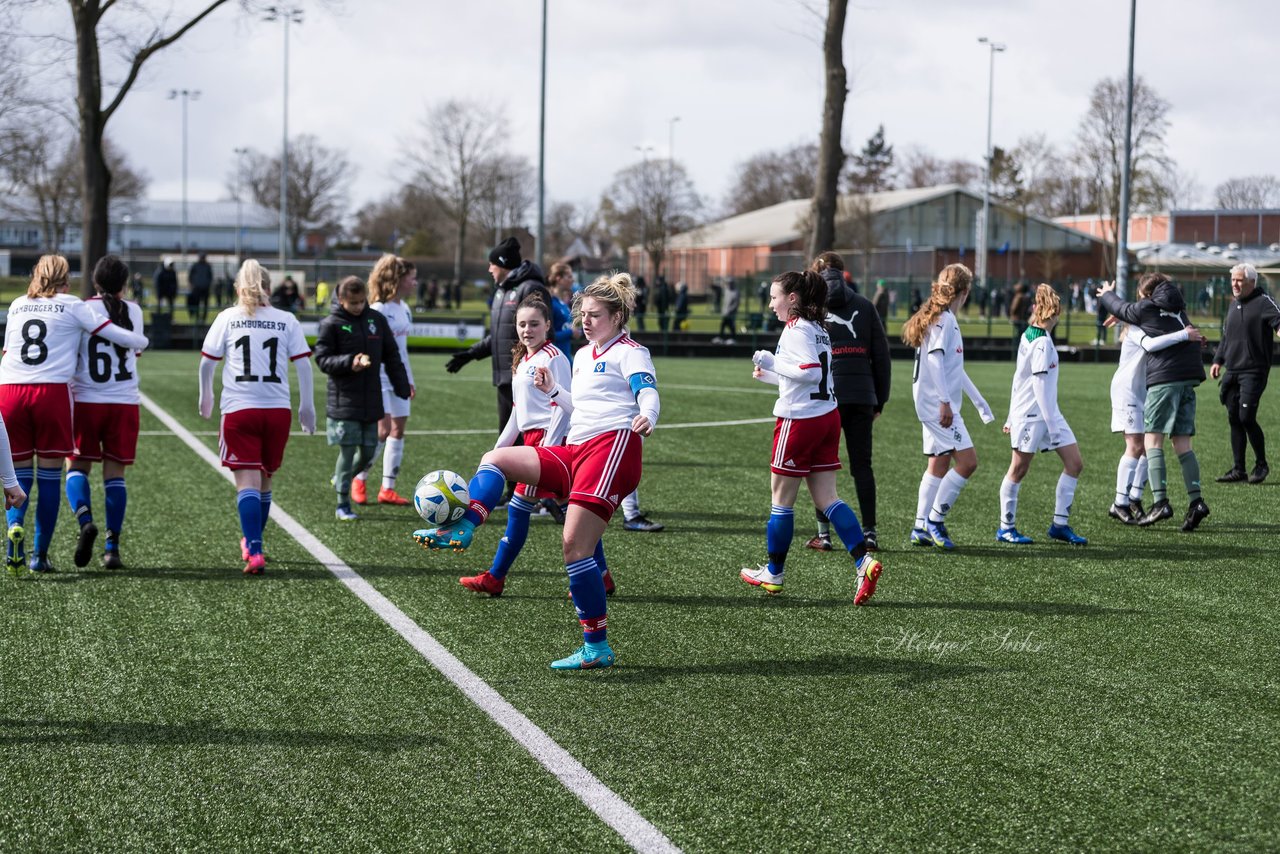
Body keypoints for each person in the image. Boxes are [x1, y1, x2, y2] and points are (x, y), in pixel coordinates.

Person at [415, 272, 659, 671]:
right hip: (575, 449)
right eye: (583, 314)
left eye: (594, 315)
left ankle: (596, 647)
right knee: (495, 458)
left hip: (613, 447)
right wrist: (552, 392)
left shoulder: (631, 351)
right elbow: (577, 408)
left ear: (617, 316)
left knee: (573, 546)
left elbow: (646, 390)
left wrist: (648, 412)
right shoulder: (583, 356)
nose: (585, 321)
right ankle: (466, 524)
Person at [740, 270, 883, 604]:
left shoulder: (795, 330)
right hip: (826, 417)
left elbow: (810, 372)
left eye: (775, 297)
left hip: (799, 422)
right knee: (827, 498)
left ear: (793, 300)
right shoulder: (819, 329)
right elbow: (809, 377)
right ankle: (864, 560)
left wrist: (770, 360)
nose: (771, 303)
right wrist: (772, 375)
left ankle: (774, 572)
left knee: (781, 500)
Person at [1, 255, 150, 573]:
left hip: (10, 389)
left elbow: (7, 350)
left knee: (17, 473)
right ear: (65, 279)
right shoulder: (72, 304)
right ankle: (39, 556)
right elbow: (117, 335)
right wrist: (142, 340)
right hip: (51, 393)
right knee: (51, 475)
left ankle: (14, 527)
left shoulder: (17, 304)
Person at [456, 295, 585, 595]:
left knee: (522, 509)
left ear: (548, 326)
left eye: (535, 324)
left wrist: (548, 450)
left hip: (552, 441)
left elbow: (563, 406)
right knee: (574, 511)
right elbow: (518, 412)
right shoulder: (521, 360)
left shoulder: (554, 357)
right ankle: (601, 576)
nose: (528, 330)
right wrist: (498, 448)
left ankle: (495, 577)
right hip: (532, 440)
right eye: (522, 324)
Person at [199, 260, 315, 573]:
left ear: (238, 287)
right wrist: (307, 406)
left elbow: (207, 362)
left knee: (246, 483)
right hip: (277, 410)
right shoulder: (286, 319)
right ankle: (254, 542)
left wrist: (206, 395)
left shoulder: (227, 317)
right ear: (269, 287)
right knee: (265, 480)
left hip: (240, 409)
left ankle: (254, 550)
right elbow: (304, 365)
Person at [1098, 273, 1209, 531]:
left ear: (1145, 296)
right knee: (1141, 445)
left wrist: (1109, 299)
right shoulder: (1176, 313)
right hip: (1130, 390)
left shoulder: (1150, 313)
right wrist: (1187, 336)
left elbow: (1129, 313)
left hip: (1157, 385)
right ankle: (1122, 501)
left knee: (1149, 444)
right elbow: (1150, 339)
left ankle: (1147, 500)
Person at [445, 236, 550, 503]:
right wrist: (470, 354)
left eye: (492, 264)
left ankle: (544, 495)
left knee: (535, 436)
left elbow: (542, 333)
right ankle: (516, 491)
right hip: (507, 376)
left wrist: (538, 367)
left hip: (527, 377)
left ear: (502, 263)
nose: (489, 269)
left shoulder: (530, 288)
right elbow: (500, 336)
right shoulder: (503, 290)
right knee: (510, 434)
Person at [902, 263, 995, 549]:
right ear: (964, 292)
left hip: (930, 402)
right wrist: (944, 402)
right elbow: (934, 359)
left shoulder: (937, 316)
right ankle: (935, 520)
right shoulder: (944, 319)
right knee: (968, 462)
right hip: (936, 406)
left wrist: (979, 402)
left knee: (938, 463)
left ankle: (919, 526)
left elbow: (954, 368)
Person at [804, 252, 891, 553]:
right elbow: (881, 357)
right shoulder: (865, 306)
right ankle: (869, 534)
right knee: (862, 466)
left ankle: (823, 535)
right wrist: (880, 399)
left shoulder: (811, 309)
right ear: (843, 273)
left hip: (825, 398)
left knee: (821, 466)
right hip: (861, 396)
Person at [66, 255, 147, 569]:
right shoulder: (135, 311)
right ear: (124, 284)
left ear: (95, 281)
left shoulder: (82, 308)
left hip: (87, 399)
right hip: (124, 402)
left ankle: (85, 520)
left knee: (76, 468)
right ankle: (112, 547)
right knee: (115, 476)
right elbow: (135, 350)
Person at [313, 276, 412, 522]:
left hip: (372, 397)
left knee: (369, 452)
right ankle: (342, 502)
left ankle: (342, 478)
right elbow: (322, 358)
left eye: (361, 302)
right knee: (347, 453)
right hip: (343, 400)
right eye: (352, 303)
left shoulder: (375, 320)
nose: (357, 307)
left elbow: (392, 354)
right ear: (341, 299)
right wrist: (349, 362)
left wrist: (401, 386)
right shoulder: (331, 323)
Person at [996, 284, 1088, 546]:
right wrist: (1016, 417)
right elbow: (1036, 386)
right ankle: (1006, 527)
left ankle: (1059, 525)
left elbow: (1019, 378)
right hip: (1034, 414)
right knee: (1018, 469)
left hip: (1047, 413)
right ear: (1054, 313)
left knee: (1074, 463)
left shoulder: (1031, 334)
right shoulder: (1039, 342)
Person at [352, 255, 418, 506]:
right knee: (382, 430)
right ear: (396, 279)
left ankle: (387, 488)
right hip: (378, 377)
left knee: (398, 430)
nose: (415, 283)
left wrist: (408, 380)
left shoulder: (405, 309)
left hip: (398, 377)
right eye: (411, 278)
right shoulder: (378, 310)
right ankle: (359, 477)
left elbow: (402, 350)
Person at [1211, 263, 1280, 485]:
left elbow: (1278, 322)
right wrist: (1218, 361)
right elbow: (1226, 337)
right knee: (1234, 418)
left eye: (1239, 280)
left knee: (1246, 417)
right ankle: (1238, 469)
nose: (1235, 284)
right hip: (1232, 371)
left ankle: (1261, 465)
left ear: (1252, 282)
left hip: (1254, 371)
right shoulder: (1233, 305)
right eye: (1233, 280)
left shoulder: (1263, 302)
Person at [547, 262, 577, 353]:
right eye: (569, 277)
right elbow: (548, 336)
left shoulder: (563, 303)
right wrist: (571, 332)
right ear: (558, 279)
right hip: (555, 356)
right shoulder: (550, 302)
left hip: (566, 355)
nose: (572, 280)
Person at [188, 252, 213, 326]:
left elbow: (210, 277)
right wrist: (192, 285)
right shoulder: (195, 266)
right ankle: (197, 317)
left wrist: (208, 284)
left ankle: (203, 319)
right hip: (197, 289)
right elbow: (190, 276)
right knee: (196, 304)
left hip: (205, 289)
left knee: (205, 305)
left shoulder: (208, 266)